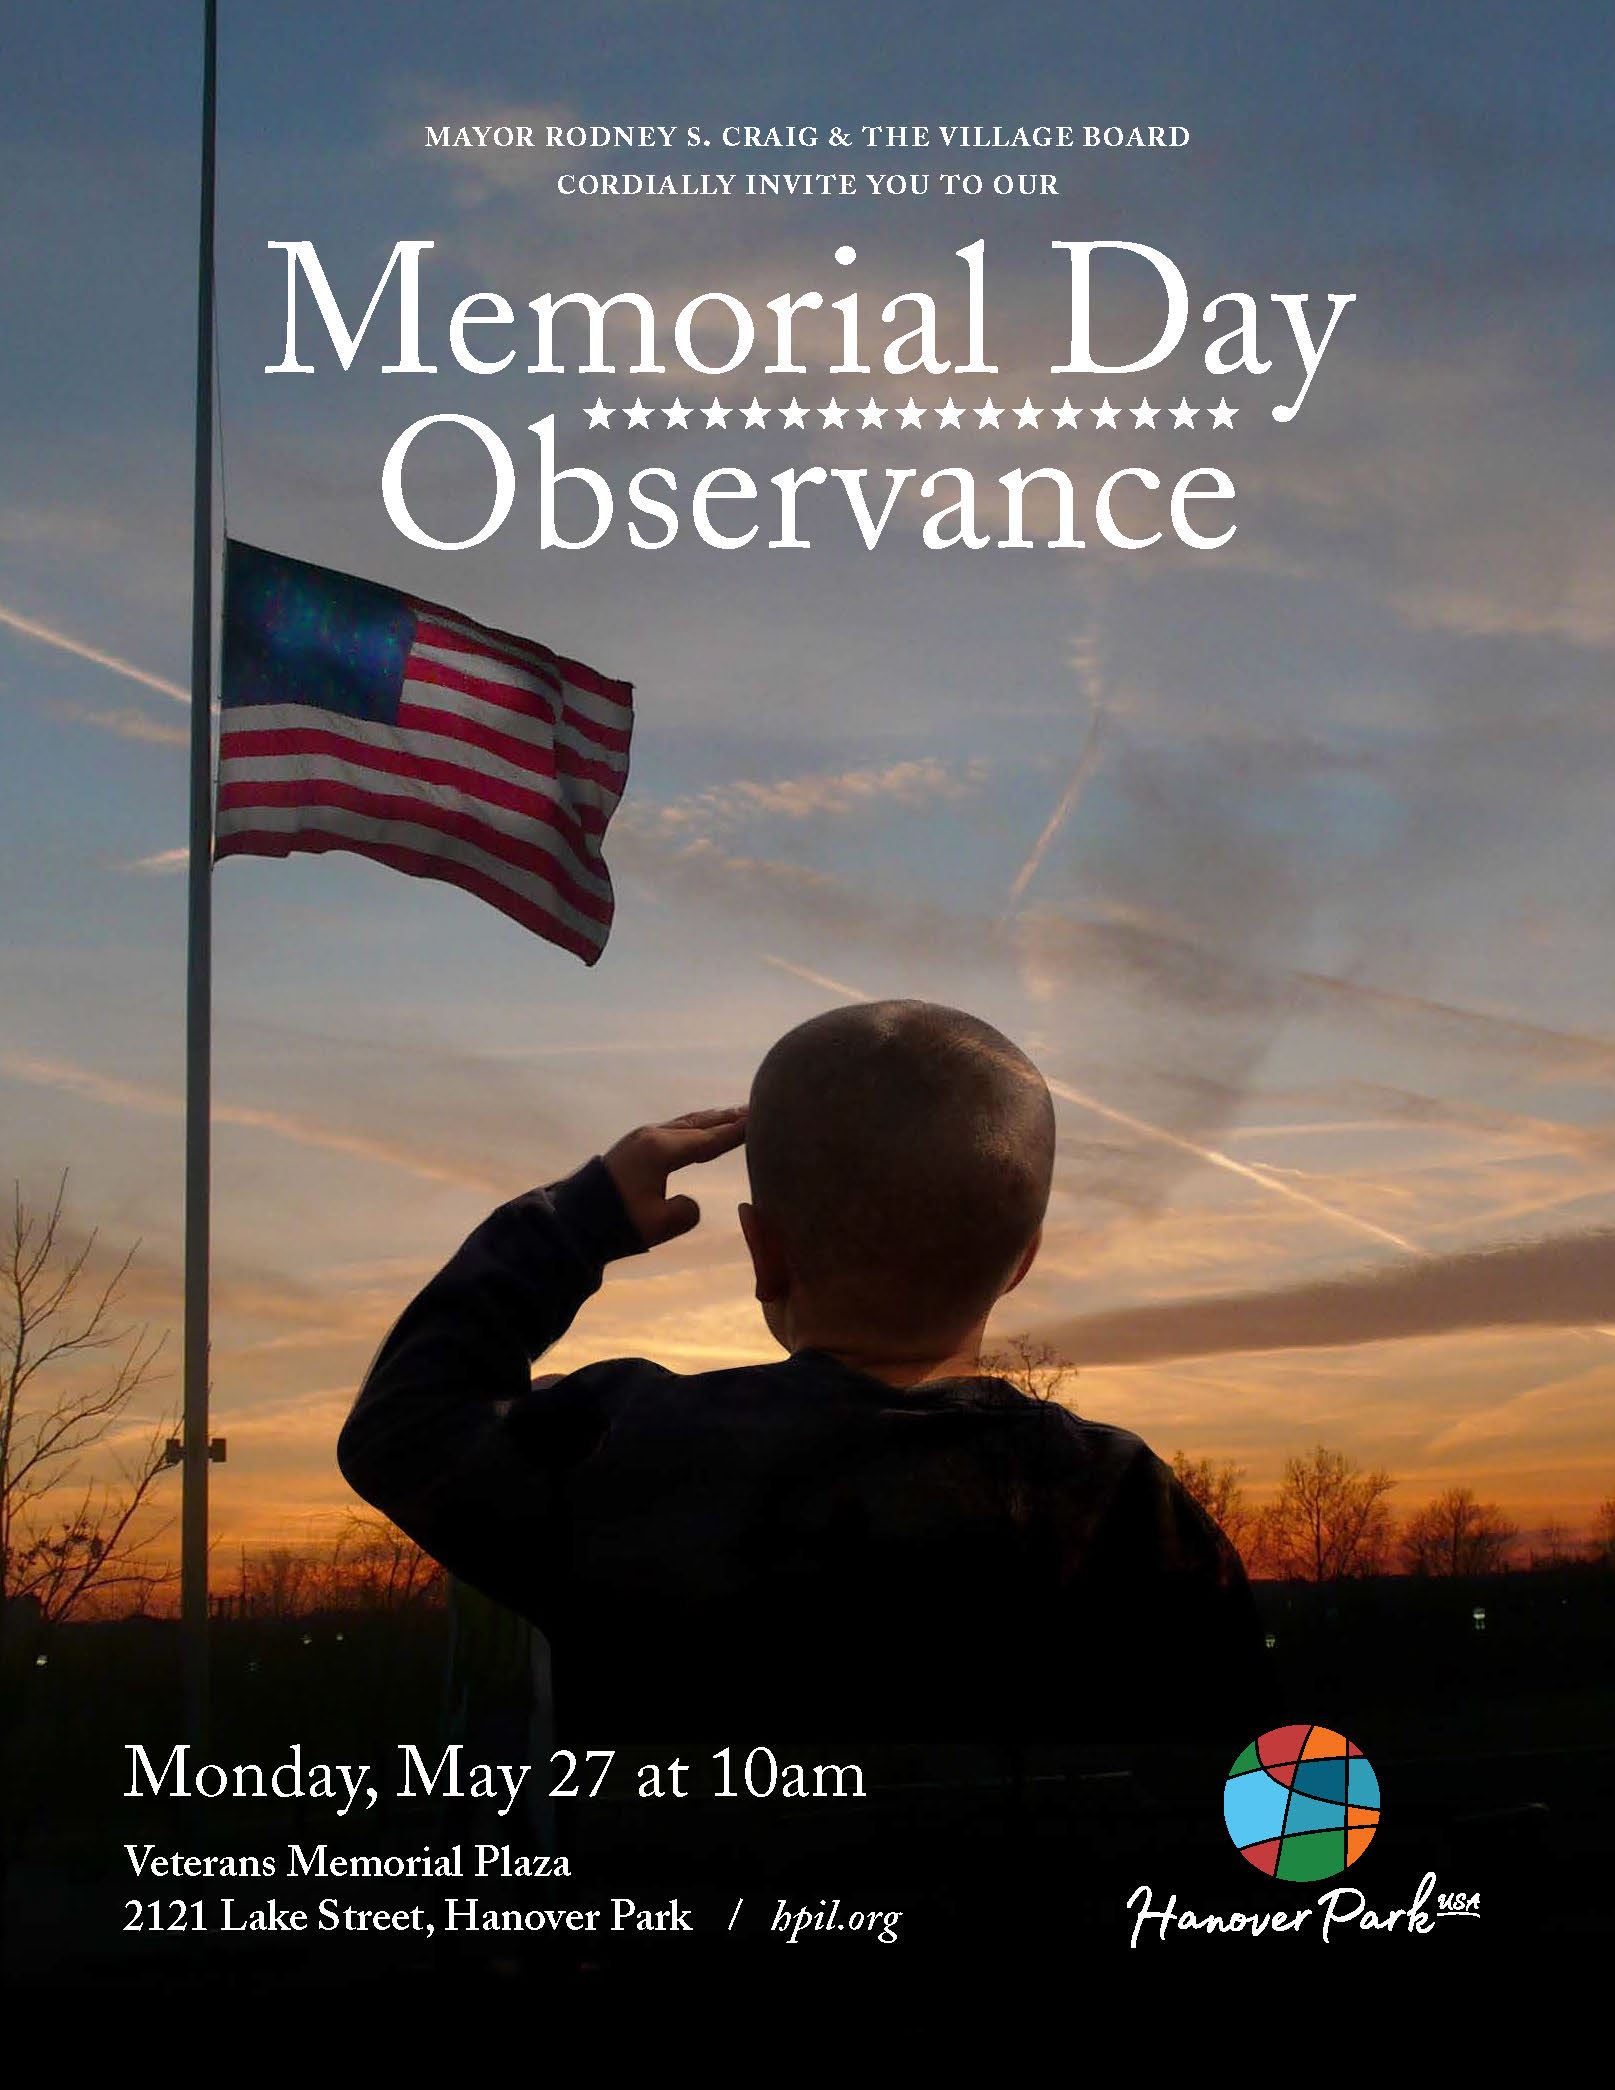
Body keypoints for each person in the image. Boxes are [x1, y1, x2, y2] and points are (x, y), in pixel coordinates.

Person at [338, 1000, 1266, 1753]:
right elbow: (1260, 1787)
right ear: (1021, 1260)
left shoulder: (629, 1455)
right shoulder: (1121, 1505)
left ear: (761, 1252)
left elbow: (406, 1423)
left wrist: (578, 1219)